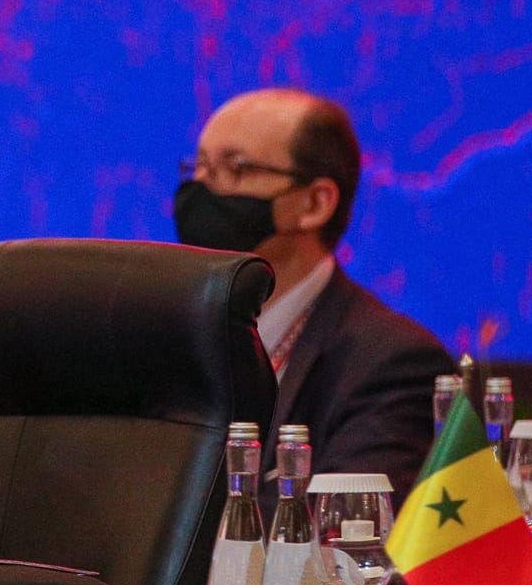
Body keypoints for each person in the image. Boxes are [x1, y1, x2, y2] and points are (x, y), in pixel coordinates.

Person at [173, 87, 451, 510]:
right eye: (200, 167)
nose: (201, 190)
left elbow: (346, 531)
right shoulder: (169, 333)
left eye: (235, 168)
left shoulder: (391, 363)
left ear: (315, 202)